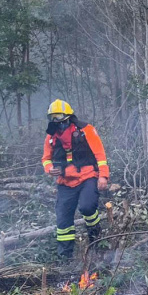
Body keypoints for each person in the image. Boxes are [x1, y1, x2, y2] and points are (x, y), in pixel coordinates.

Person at [41, 99, 109, 259]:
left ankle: (96, 241)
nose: (58, 123)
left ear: (69, 117)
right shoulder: (51, 137)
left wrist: (103, 176)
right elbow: (45, 158)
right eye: (54, 119)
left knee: (87, 207)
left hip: (88, 177)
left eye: (60, 119)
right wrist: (49, 169)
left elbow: (100, 155)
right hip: (65, 182)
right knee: (63, 220)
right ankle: (65, 258)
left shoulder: (86, 130)